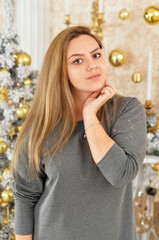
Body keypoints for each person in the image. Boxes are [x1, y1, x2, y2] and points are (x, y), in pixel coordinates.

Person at [11, 25, 147, 240]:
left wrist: (90, 116)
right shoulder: (42, 125)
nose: (92, 65)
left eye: (96, 55)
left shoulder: (126, 111)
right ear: (60, 71)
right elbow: (26, 196)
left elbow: (120, 174)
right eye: (77, 60)